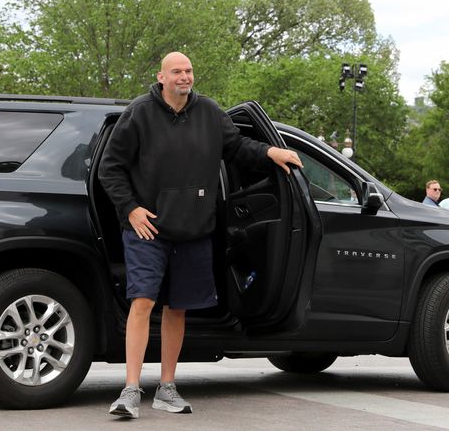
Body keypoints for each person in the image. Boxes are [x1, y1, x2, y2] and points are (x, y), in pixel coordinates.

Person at [98, 52, 302, 419]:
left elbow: (238, 148)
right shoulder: (139, 113)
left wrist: (270, 151)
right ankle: (130, 390)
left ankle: (167, 388)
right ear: (161, 76)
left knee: (178, 309)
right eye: (176, 71)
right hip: (148, 229)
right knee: (142, 303)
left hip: (194, 230)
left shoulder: (209, 112)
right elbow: (110, 167)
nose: (184, 77)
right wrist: (130, 208)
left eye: (189, 70)